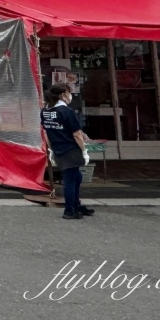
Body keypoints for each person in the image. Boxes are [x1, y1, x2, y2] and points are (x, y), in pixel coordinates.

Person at [41, 84, 94, 220]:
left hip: (58, 148)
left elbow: (46, 131)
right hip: (70, 149)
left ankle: (76, 205)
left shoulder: (45, 110)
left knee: (77, 177)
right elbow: (76, 134)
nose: (70, 95)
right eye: (69, 92)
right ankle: (69, 210)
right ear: (63, 94)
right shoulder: (66, 111)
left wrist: (51, 148)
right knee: (70, 180)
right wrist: (84, 151)